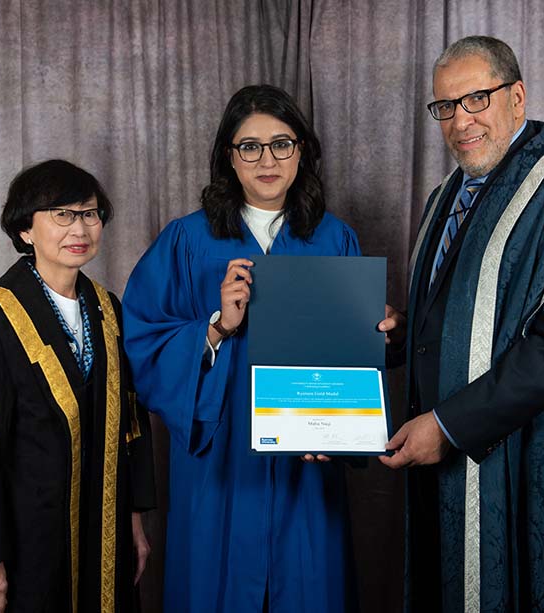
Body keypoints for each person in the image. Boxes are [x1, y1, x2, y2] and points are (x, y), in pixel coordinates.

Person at [378, 36, 544, 611]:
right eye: (446, 106)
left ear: (517, 97)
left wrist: (448, 427)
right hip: (446, 462)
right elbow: (458, 323)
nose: (460, 121)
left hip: (532, 464)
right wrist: (405, 334)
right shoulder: (445, 200)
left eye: (477, 99)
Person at [122, 84, 360, 612]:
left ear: (303, 150)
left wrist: (343, 418)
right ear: (229, 157)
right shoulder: (187, 240)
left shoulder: (334, 239)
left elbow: (348, 363)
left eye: (282, 143)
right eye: (249, 146)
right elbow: (141, 343)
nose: (267, 159)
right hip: (221, 469)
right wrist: (214, 328)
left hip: (307, 466)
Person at [0, 160, 156, 612]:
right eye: (60, 214)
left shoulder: (108, 311)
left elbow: (130, 422)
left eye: (89, 213)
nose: (78, 227)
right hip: (25, 537)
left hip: (101, 528)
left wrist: (134, 524)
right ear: (26, 230)